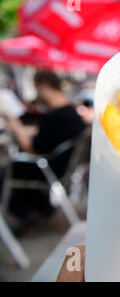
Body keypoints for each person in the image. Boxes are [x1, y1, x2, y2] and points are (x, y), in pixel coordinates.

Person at [4, 70, 86, 228]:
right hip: (64, 166)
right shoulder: (70, 113)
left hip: (49, 168)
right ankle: (43, 210)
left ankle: (23, 214)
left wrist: (17, 127)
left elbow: (32, 149)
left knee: (9, 169)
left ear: (44, 86)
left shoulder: (53, 117)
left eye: (36, 89)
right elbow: (50, 135)